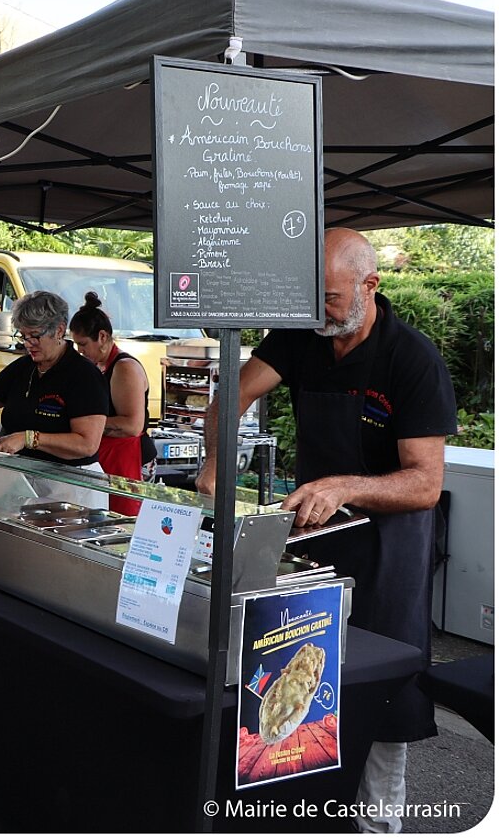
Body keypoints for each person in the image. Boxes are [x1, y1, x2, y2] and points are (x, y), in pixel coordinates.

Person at [197, 228, 456, 834]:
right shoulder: (300, 336)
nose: (319, 313)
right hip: (315, 538)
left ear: (371, 286)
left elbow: (424, 483)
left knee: (386, 692)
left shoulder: (411, 359)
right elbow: (226, 400)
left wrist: (344, 486)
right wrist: (214, 464)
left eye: (332, 300)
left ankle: (378, 822)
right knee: (300, 684)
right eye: (310, 300)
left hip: (390, 547)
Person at [0, 290, 108, 467]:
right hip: (25, 476)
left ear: (59, 330)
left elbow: (86, 444)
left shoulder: (84, 375)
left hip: (70, 483)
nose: (28, 344)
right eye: (23, 336)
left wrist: (28, 438)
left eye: (35, 336)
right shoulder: (23, 367)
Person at [69, 291, 151, 514]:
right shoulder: (97, 366)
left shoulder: (125, 368)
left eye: (83, 344)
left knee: (121, 521)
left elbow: (132, 425)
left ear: (102, 337)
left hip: (125, 460)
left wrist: (86, 425)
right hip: (105, 457)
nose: (80, 351)